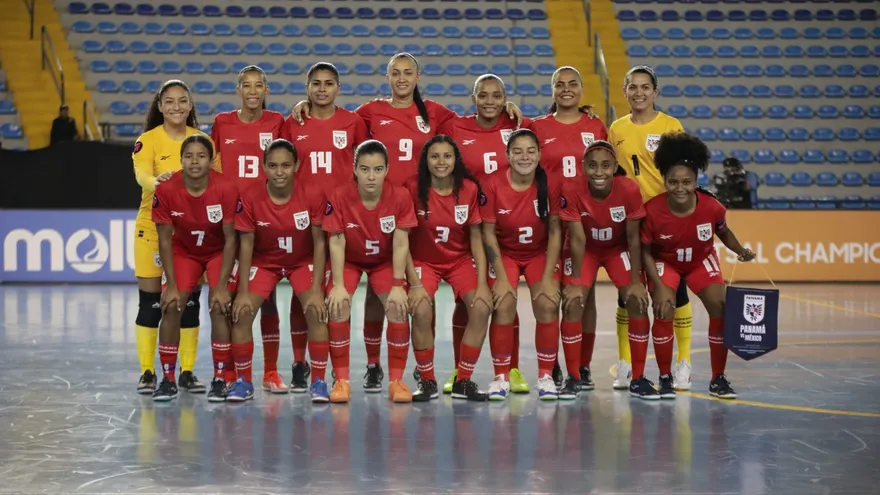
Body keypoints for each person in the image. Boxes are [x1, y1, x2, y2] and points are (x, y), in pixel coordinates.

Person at [291, 55, 523, 393]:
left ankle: (439, 374)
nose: (402, 79)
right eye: (395, 73)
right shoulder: (369, 112)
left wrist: (507, 109)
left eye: (408, 73)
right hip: (368, 212)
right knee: (378, 294)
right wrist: (306, 104)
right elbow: (332, 119)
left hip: (416, 213)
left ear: (418, 76)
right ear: (387, 77)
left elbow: (479, 118)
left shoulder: (437, 114)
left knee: (401, 294)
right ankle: (373, 367)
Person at [640, 132, 755, 400]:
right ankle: (665, 377)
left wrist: (741, 251)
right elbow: (644, 250)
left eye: (686, 182)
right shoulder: (653, 211)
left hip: (699, 260)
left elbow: (723, 231)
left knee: (721, 306)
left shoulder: (712, 207)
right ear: (664, 181)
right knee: (664, 307)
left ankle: (718, 378)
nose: (680, 188)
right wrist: (656, 285)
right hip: (664, 261)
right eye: (673, 182)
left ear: (696, 181)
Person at [435, 74, 530, 394]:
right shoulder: (454, 127)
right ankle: (461, 371)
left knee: (507, 299)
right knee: (469, 302)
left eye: (498, 95)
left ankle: (511, 369)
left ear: (506, 98)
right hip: (471, 227)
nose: (490, 101)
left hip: (510, 225)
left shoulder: (519, 125)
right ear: (472, 98)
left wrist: (514, 110)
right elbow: (424, 118)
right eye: (483, 95)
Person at [210, 65, 295, 394]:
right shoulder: (222, 123)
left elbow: (288, 162)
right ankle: (227, 373)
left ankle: (270, 372)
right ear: (238, 90)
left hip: (264, 222)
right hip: (229, 226)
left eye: (259, 85)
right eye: (247, 85)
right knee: (224, 299)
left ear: (266, 90)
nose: (253, 91)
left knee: (266, 300)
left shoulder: (277, 123)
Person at [608, 65, 693, 391]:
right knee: (626, 290)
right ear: (625, 91)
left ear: (655, 92)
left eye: (646, 87)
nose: (639, 93)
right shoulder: (615, 129)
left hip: (667, 219)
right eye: (633, 87)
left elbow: (683, 174)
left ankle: (682, 362)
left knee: (675, 288)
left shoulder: (671, 126)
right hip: (629, 221)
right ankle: (625, 361)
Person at [132, 79, 216, 395]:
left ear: (191, 105)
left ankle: (188, 372)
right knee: (152, 303)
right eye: (170, 101)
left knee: (189, 303)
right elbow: (141, 175)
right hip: (152, 230)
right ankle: (148, 371)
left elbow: (214, 181)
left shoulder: (202, 140)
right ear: (160, 106)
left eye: (183, 101)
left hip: (191, 233)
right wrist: (160, 182)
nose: (176, 107)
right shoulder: (147, 141)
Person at [230, 139, 329, 403]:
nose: (279, 171)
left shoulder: (313, 193)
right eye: (272, 165)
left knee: (316, 312)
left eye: (286, 165)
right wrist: (241, 292)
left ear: (297, 165)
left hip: (302, 260)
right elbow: (246, 243)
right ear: (263, 167)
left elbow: (320, 242)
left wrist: (318, 290)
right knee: (241, 314)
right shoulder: (250, 196)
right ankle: (244, 382)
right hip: (265, 262)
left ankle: (319, 381)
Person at [529, 66, 609, 391]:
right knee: (550, 292)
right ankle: (553, 364)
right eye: (559, 84)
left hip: (585, 223)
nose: (565, 89)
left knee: (582, 296)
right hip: (547, 222)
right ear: (552, 91)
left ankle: (583, 365)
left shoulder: (595, 125)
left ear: (581, 89)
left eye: (572, 84)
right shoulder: (537, 126)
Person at [323, 140, 418, 403]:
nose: (371, 176)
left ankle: (396, 381)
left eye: (377, 169)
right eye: (364, 169)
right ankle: (341, 380)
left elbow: (401, 243)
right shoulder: (340, 195)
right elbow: (336, 240)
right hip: (350, 261)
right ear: (355, 170)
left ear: (387, 169)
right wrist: (339, 284)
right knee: (339, 304)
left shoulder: (399, 196)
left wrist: (398, 285)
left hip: (383, 262)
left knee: (398, 308)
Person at [558, 141, 649, 399]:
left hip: (616, 249)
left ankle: (639, 378)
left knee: (637, 301)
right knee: (574, 302)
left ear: (615, 168)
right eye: (593, 166)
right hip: (585, 250)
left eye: (606, 166)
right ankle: (575, 376)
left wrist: (635, 281)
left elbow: (634, 238)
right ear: (584, 167)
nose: (599, 172)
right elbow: (576, 239)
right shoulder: (572, 188)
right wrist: (575, 280)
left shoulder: (629, 189)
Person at [151, 135, 238, 401]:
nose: (194, 161)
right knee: (172, 304)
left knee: (219, 306)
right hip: (183, 251)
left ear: (211, 160)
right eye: (188, 156)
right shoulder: (166, 190)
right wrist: (172, 286)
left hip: (217, 251)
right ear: (181, 160)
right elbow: (164, 239)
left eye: (201, 156)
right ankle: (167, 379)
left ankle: (220, 379)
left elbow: (231, 238)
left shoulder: (225, 187)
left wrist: (221, 286)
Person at [405, 135, 492, 402]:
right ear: (425, 161)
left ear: (456, 160)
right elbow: (402, 241)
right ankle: (427, 380)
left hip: (460, 260)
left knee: (481, 306)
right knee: (420, 309)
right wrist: (414, 283)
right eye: (434, 156)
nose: (441, 162)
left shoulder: (468, 189)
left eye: (447, 156)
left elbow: (476, 238)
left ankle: (463, 380)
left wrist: (481, 284)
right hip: (423, 261)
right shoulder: (412, 188)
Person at [480, 129, 563, 401]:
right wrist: (502, 278)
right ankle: (500, 377)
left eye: (530, 151)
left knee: (548, 303)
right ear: (507, 155)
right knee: (503, 303)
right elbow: (489, 233)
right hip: (506, 253)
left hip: (539, 253)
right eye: (517, 151)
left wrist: (550, 276)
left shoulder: (550, 182)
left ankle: (546, 376)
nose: (524, 156)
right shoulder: (492, 184)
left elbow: (554, 231)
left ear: (539, 154)